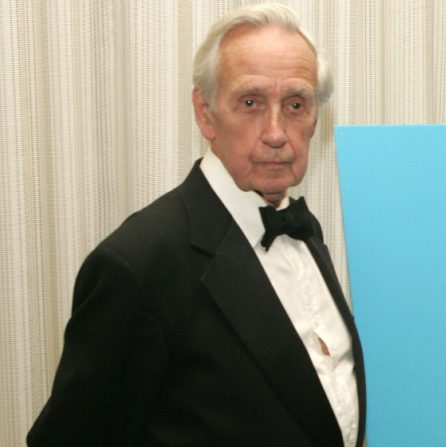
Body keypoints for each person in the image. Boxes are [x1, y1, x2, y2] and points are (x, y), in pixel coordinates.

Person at [27, 4, 365, 446]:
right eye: (250, 102)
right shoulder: (138, 265)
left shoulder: (304, 229)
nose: (277, 132)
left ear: (316, 117)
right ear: (205, 113)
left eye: (296, 104)